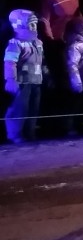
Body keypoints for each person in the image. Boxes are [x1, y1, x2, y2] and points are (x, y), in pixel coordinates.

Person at [4, 10, 44, 144]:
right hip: (22, 82)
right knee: (20, 108)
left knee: (34, 108)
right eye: (31, 25)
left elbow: (41, 60)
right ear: (20, 25)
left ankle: (30, 132)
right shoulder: (15, 43)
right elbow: (10, 62)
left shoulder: (38, 42)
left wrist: (46, 73)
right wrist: (11, 79)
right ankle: (15, 134)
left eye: (35, 24)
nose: (34, 27)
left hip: (36, 80)